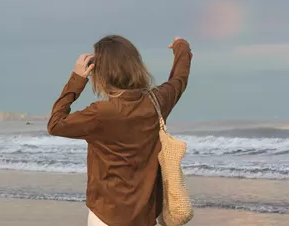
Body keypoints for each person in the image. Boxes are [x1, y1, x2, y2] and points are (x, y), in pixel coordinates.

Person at [47, 35, 192, 226]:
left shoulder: (100, 113)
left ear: (101, 73)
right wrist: (181, 47)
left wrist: (77, 79)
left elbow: (55, 124)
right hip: (145, 216)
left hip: (106, 216)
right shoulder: (157, 101)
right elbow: (179, 79)